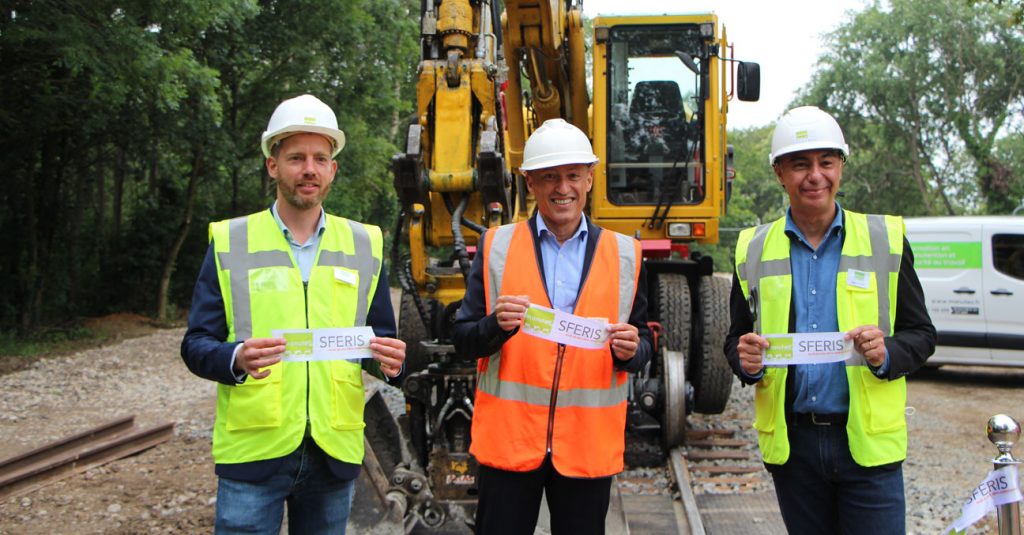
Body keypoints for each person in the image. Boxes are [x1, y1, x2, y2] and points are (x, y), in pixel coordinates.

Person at [180, 94, 406, 534]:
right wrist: (236, 358)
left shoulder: (364, 244)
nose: (309, 169)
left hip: (332, 452)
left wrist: (391, 364)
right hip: (254, 450)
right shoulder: (231, 241)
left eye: (320, 159)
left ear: (332, 170)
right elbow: (196, 345)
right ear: (273, 165)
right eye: (296, 158)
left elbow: (377, 344)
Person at [724, 106, 936, 534]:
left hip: (867, 450)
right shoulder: (753, 248)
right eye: (800, 164)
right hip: (795, 450)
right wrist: (745, 361)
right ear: (780, 173)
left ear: (841, 167)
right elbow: (736, 340)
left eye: (826, 162)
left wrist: (886, 353)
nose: (815, 176)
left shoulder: (885, 239)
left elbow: (922, 335)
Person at [452, 118, 654, 534]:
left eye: (573, 176)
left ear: (590, 178)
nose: (563, 188)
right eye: (549, 177)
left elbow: (644, 345)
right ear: (530, 182)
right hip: (510, 444)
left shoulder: (626, 255)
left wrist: (633, 351)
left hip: (585, 447)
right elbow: (463, 339)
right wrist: (494, 326)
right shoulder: (495, 248)